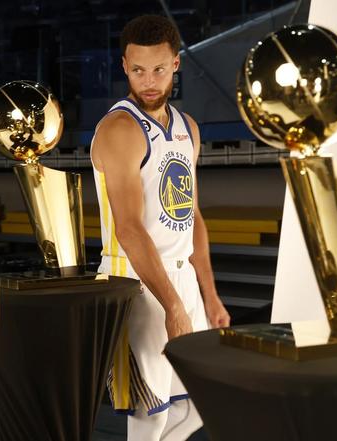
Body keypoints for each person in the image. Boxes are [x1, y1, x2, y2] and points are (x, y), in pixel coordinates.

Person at [90, 14, 231, 441]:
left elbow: (192, 215)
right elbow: (129, 229)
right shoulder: (120, 129)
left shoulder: (188, 129)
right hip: (135, 280)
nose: (148, 81)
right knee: (149, 414)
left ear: (176, 64)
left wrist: (209, 296)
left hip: (182, 277)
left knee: (201, 404)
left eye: (158, 69)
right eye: (137, 70)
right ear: (124, 66)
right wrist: (172, 306)